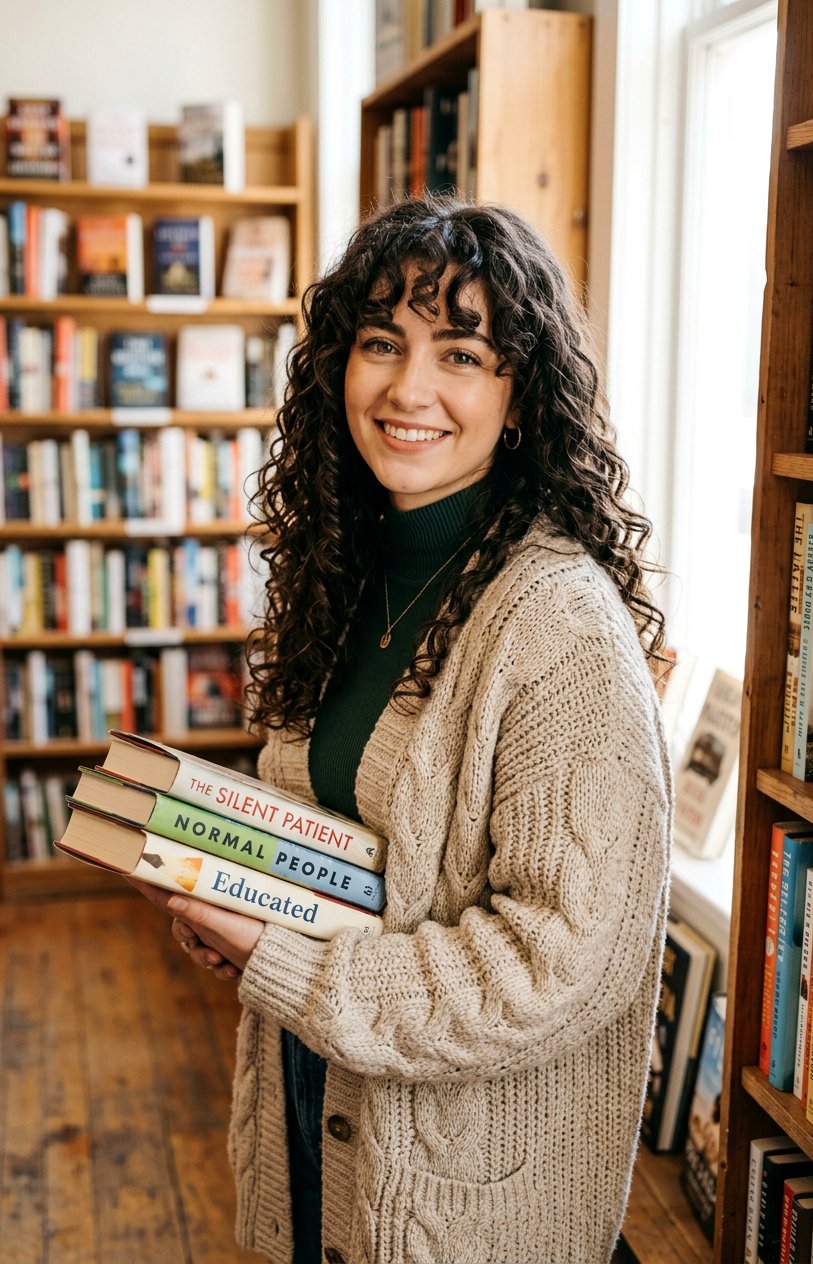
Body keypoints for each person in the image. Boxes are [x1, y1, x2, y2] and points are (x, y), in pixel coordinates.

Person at [132, 197, 672, 1264]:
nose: (406, 388)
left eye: (460, 352)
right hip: (317, 1112)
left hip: (466, 1207)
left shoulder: (559, 631)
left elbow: (554, 970)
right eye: (381, 342)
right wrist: (229, 893)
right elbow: (330, 824)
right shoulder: (345, 570)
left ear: (518, 399)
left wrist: (275, 950)